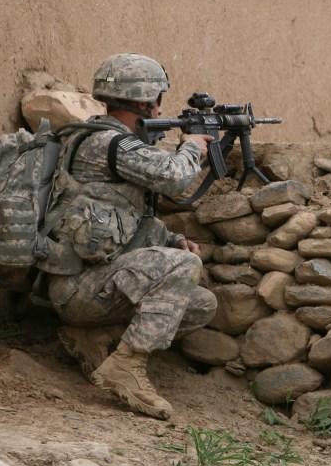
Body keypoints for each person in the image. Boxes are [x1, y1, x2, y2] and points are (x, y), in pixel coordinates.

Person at [45, 53, 218, 421]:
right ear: (144, 102)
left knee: (200, 304)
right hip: (77, 287)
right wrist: (192, 145)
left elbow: (124, 216)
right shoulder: (109, 143)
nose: (160, 110)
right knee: (184, 266)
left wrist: (171, 239)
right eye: (157, 100)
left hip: (94, 284)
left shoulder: (110, 140)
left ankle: (97, 339)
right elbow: (174, 178)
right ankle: (126, 365)